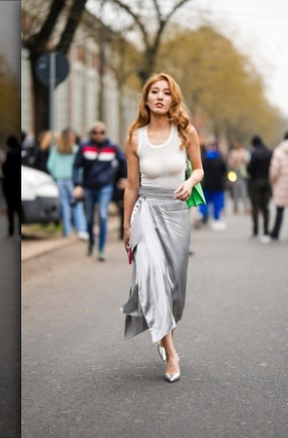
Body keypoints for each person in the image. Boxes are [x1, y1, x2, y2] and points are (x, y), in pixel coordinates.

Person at [120, 72, 203, 383]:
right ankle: (171, 352)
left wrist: (191, 181)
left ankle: (165, 326)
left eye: (165, 93)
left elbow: (199, 169)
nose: (159, 97)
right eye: (154, 91)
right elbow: (131, 186)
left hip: (177, 214)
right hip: (146, 212)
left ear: (173, 100)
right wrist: (127, 225)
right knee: (151, 275)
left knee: (175, 290)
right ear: (146, 99)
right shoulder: (134, 137)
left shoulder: (186, 132)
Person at [72, 121, 126, 261]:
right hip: (88, 187)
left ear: (105, 133)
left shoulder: (112, 147)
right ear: (91, 133)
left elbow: (124, 161)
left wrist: (125, 178)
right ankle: (91, 242)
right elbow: (76, 166)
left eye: (101, 132)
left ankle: (101, 248)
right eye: (95, 132)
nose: (98, 135)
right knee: (89, 219)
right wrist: (77, 185)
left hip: (105, 187)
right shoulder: (84, 147)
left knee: (102, 215)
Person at [47, 128, 88, 240]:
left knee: (64, 205)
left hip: (59, 180)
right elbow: (80, 167)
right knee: (77, 205)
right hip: (72, 180)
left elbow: (50, 165)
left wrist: (56, 174)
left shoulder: (55, 149)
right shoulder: (76, 149)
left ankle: (67, 230)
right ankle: (81, 229)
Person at [247, 135, 272, 241]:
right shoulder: (269, 152)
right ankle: (266, 231)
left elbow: (249, 168)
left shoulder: (254, 153)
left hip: (255, 182)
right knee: (265, 207)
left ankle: (256, 230)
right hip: (267, 182)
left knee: (255, 207)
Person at [199, 142, 228, 230]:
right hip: (218, 185)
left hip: (207, 184)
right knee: (217, 203)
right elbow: (224, 171)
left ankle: (201, 213)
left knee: (205, 201)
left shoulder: (204, 158)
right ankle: (216, 220)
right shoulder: (220, 158)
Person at [3, 135, 23, 237]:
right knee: (19, 210)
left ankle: (11, 230)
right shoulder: (20, 152)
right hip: (19, 186)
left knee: (10, 209)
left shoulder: (10, 154)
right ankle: (20, 230)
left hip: (10, 186)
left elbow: (6, 170)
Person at [227, 140, 250, 214]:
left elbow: (246, 161)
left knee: (243, 190)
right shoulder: (233, 152)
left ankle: (245, 207)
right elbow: (230, 162)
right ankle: (235, 208)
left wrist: (241, 161)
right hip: (235, 171)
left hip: (242, 172)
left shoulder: (244, 151)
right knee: (235, 190)